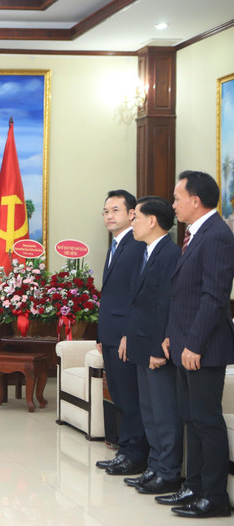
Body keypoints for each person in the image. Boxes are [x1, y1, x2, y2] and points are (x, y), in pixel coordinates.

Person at [158, 170, 234, 518]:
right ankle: (194, 485)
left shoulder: (217, 235)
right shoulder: (194, 234)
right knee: (190, 417)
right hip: (185, 342)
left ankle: (214, 497)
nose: (173, 204)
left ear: (196, 200)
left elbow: (214, 297)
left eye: (177, 198)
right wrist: (173, 334)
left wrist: (195, 344)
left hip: (204, 348)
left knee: (206, 420)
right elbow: (184, 295)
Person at [117, 196, 182, 495]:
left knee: (164, 414)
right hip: (141, 344)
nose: (132, 223)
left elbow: (165, 306)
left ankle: (168, 473)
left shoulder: (169, 254)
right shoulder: (147, 251)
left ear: (152, 220)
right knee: (150, 413)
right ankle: (154, 467)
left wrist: (157, 349)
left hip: (157, 349)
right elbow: (140, 304)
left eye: (136, 217)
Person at [94, 189, 148, 475]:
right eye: (106, 211)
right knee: (119, 395)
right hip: (111, 335)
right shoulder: (116, 244)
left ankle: (135, 456)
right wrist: (101, 336)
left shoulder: (137, 245)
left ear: (131, 214)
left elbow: (137, 296)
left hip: (126, 337)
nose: (109, 216)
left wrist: (129, 333)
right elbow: (112, 295)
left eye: (115, 210)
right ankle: (124, 451)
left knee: (130, 397)